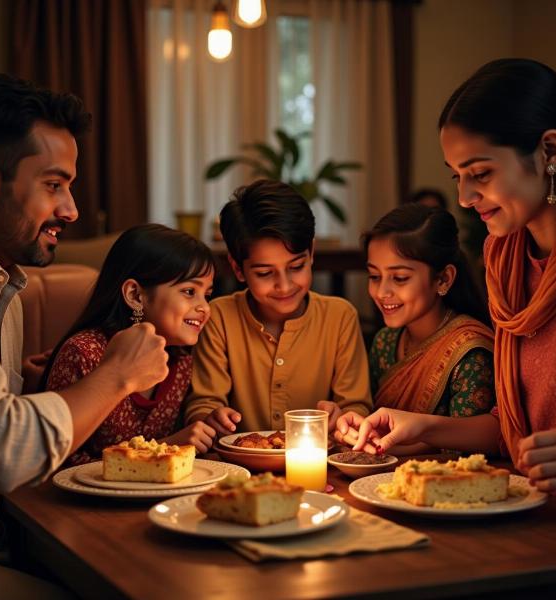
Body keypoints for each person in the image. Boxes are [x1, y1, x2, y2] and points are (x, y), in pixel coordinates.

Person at [0, 74, 169, 598]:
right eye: (54, 185)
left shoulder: (2, 287)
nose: (70, 209)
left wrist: (29, 391)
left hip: (14, 536)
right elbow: (2, 451)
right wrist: (115, 375)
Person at [335, 58, 556, 494]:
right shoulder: (505, 259)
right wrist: (420, 425)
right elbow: (509, 427)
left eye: (480, 174)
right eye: (456, 176)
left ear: (549, 151)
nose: (465, 197)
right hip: (518, 497)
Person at [184, 179, 372, 435]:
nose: (284, 286)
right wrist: (211, 418)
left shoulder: (340, 317)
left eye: (296, 267)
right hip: (237, 469)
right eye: (264, 273)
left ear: (311, 252)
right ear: (238, 269)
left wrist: (345, 418)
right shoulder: (218, 317)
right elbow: (204, 403)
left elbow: (356, 407)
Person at [42, 224, 218, 459]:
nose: (204, 308)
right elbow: (57, 461)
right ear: (135, 295)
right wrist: (167, 447)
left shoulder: (182, 364)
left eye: (207, 295)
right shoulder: (84, 354)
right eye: (189, 291)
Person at [364, 204, 495, 453]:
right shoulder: (386, 341)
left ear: (443, 279)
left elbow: (468, 453)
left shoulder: (470, 352)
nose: (381, 292)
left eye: (400, 278)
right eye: (374, 276)